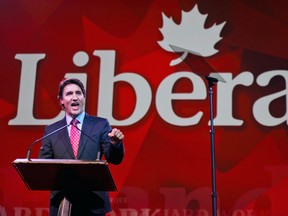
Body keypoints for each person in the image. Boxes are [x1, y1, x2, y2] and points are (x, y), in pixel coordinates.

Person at [39, 78, 124, 216]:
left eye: (78, 93)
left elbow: (114, 159)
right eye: (69, 94)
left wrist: (115, 143)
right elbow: (44, 167)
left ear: (83, 97)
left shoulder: (100, 124)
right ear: (61, 100)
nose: (74, 97)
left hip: (93, 203)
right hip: (63, 203)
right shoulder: (51, 130)